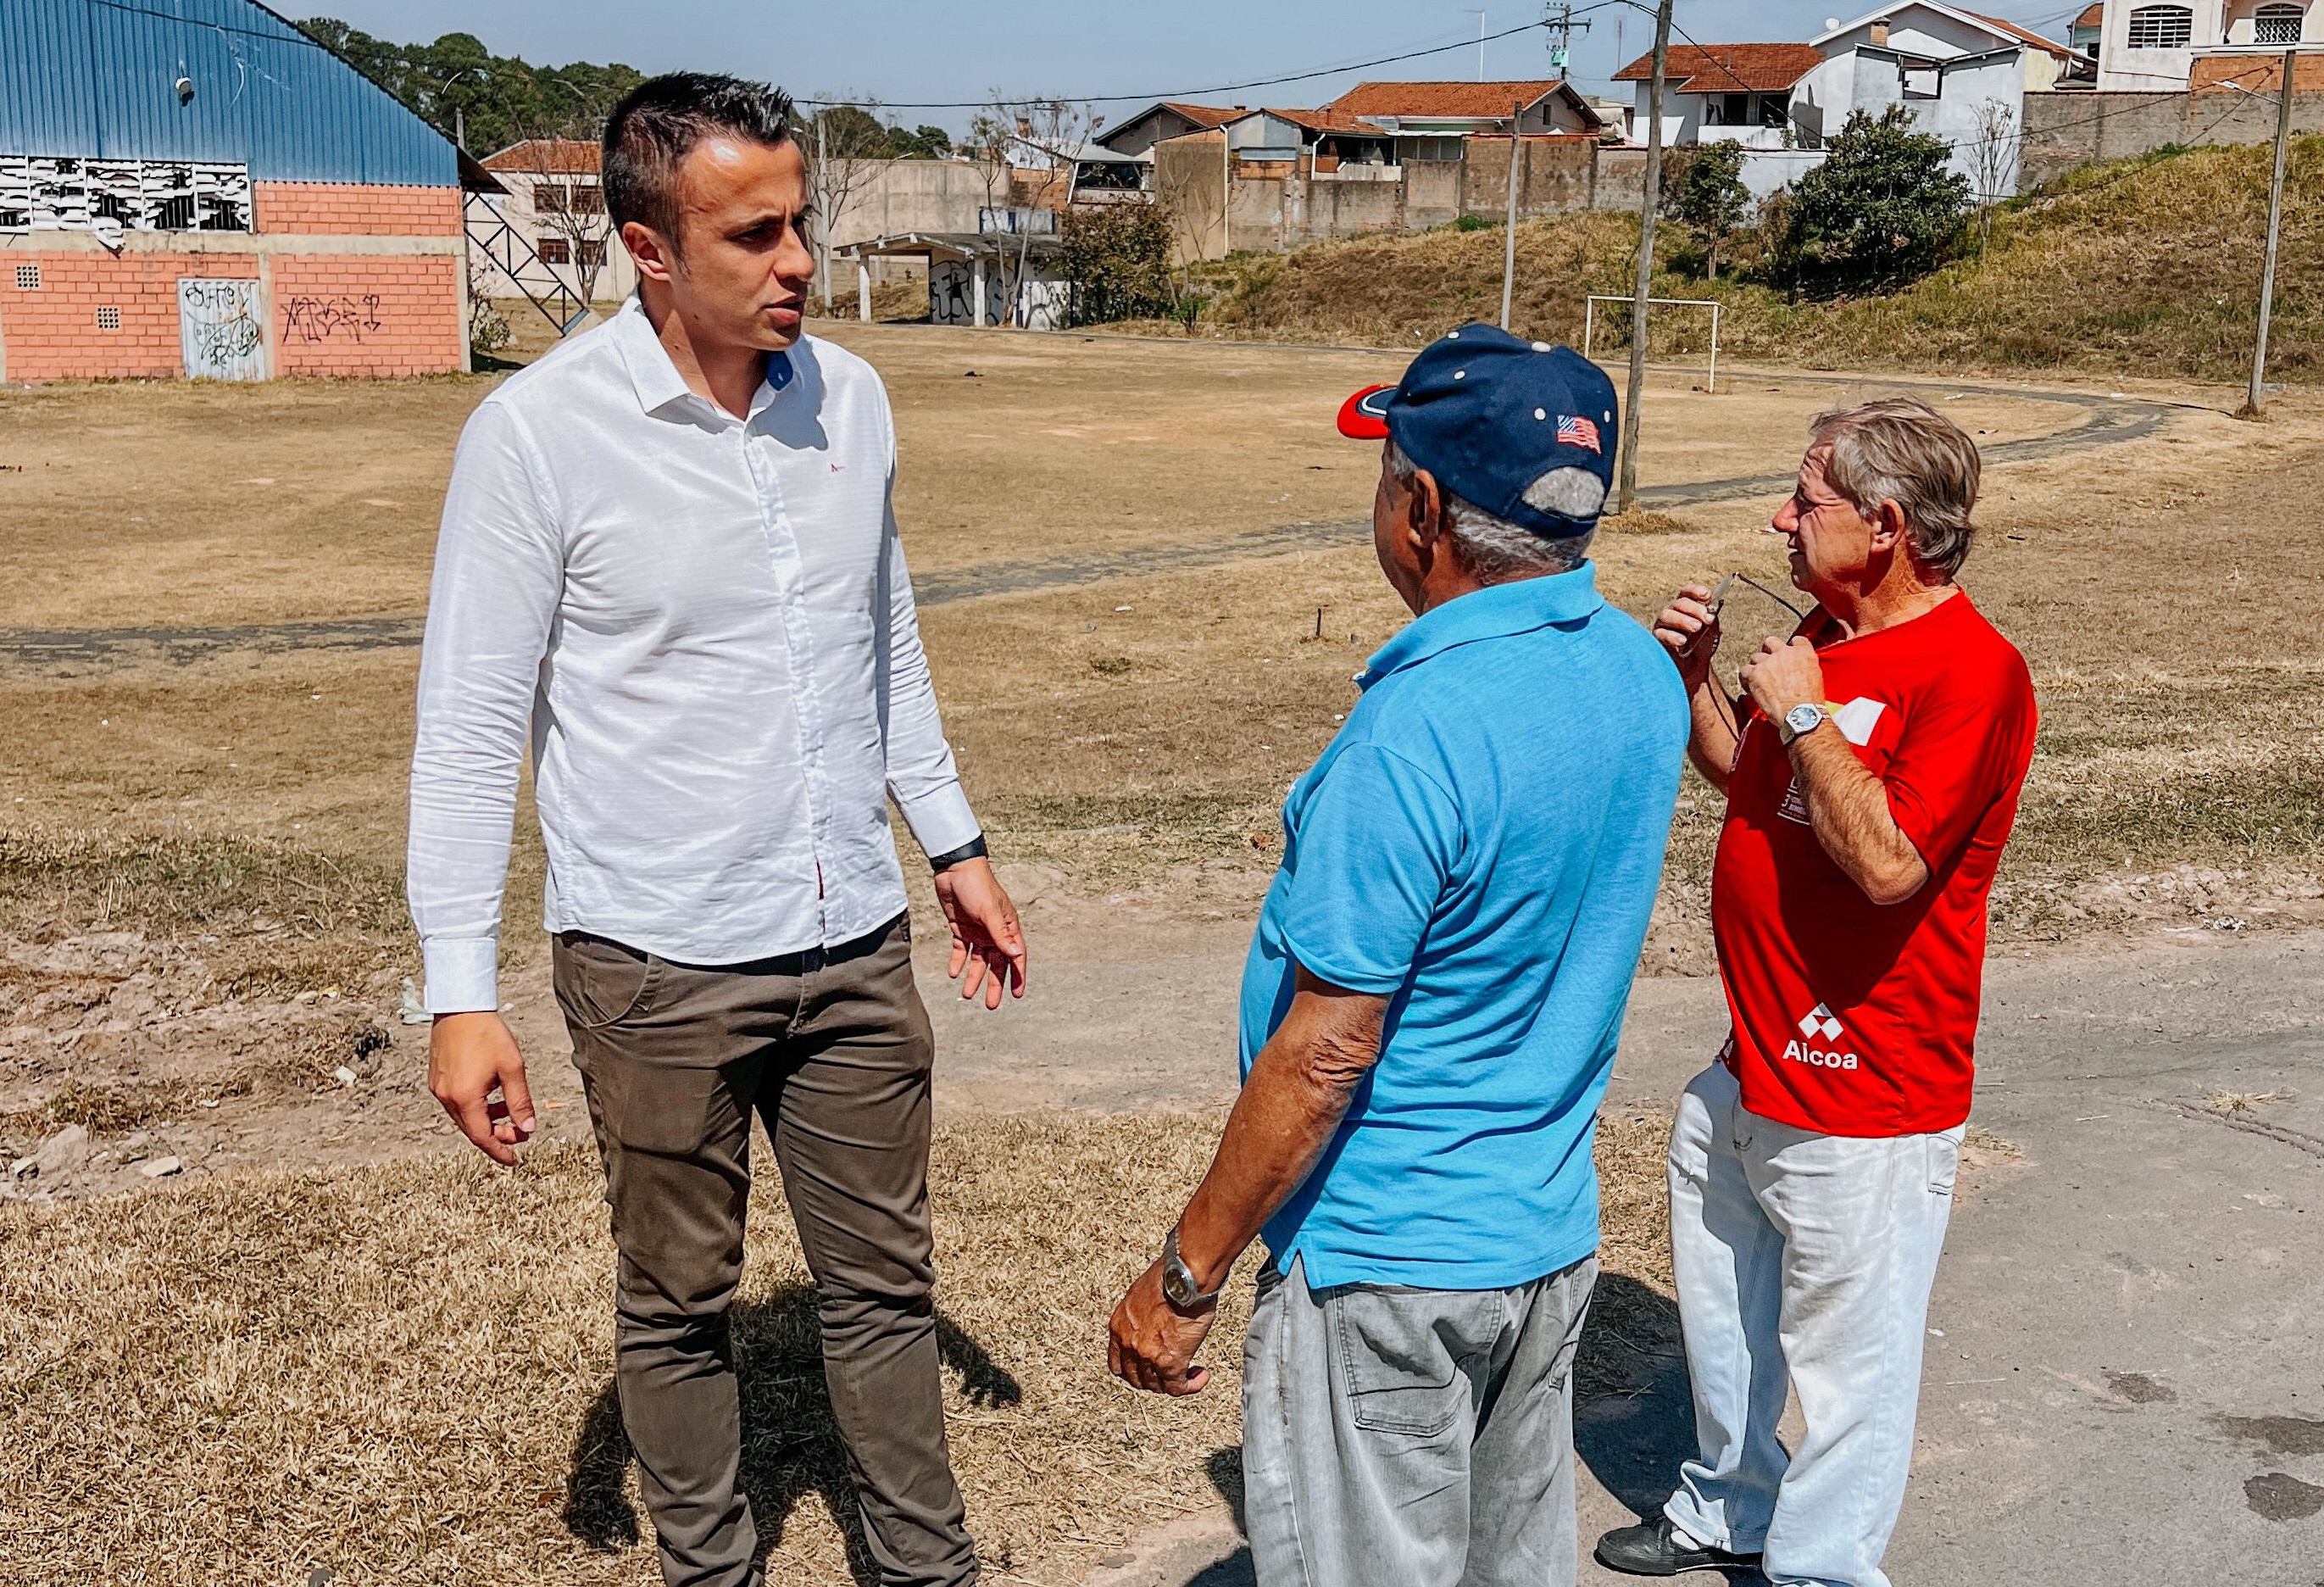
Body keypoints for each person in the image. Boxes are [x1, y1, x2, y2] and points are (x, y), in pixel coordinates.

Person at [406, 73, 1026, 1587]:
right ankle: (711, 1568)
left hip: (851, 940)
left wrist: (950, 844)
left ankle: (925, 1570)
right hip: (655, 960)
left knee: (882, 1287)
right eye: (753, 235)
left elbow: (882, 639)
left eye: (800, 222)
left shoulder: (850, 399)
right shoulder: (536, 434)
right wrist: (458, 991)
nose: (797, 261)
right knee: (679, 1301)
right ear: (648, 249)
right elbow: (471, 724)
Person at [1104, 325, 1689, 1586]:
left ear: (1421, 508)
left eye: (1384, 477)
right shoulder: (1639, 673)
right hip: (1542, 1236)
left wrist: (1185, 1274)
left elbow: (1326, 1053)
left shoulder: (1413, 733)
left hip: (1389, 1261)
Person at [1595, 399, 2037, 1586]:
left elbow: (1889, 864)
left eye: (1805, 501)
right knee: (1723, 1317)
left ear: (1885, 525)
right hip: (1752, 1058)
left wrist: (1799, 708)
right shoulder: (1823, 633)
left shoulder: (1974, 674)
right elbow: (1753, 775)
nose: (1779, 521)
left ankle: (1822, 1568)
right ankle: (1728, 1506)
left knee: (1854, 1369)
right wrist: (1698, 680)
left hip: (1868, 1089)